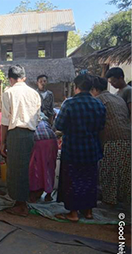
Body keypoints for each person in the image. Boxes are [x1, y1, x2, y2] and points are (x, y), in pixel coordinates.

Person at [54, 74, 106, 222]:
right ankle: (88, 212)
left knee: (72, 181)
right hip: (92, 150)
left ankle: (73, 213)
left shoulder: (69, 104)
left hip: (73, 150)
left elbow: (59, 125)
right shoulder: (99, 104)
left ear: (76, 87)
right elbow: (102, 127)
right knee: (89, 181)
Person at [0, 65, 41, 217]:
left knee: (16, 171)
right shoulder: (34, 93)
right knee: (22, 169)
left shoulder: (8, 92)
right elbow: (38, 117)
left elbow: (5, 120)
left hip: (16, 133)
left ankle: (21, 205)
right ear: (24, 77)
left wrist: (2, 142)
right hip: (30, 133)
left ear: (10, 79)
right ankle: (20, 201)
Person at [92, 76, 132, 206]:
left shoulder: (98, 100)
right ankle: (124, 201)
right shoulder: (118, 98)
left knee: (109, 172)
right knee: (124, 173)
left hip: (112, 139)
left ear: (94, 89)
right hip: (127, 137)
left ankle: (110, 201)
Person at [29, 114, 57, 203]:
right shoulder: (42, 116)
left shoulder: (26, 117)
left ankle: (34, 192)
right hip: (52, 139)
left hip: (38, 141)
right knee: (50, 166)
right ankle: (48, 194)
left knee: (35, 167)